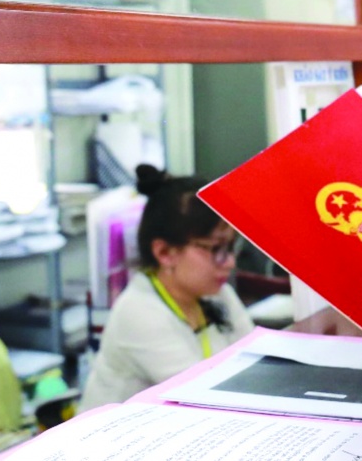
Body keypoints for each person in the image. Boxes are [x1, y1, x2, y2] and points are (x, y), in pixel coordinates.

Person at [78, 164, 255, 411]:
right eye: (216, 249)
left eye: (230, 247)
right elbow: (202, 396)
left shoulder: (216, 294)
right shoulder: (139, 312)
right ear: (164, 252)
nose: (230, 262)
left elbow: (255, 361)